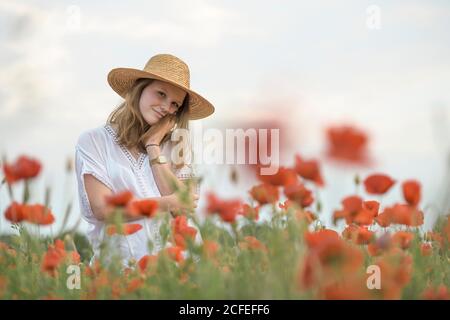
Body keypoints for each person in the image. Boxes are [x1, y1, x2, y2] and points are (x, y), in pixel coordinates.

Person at [74, 53, 214, 266]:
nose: (167, 107)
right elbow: (104, 210)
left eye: (175, 104)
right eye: (161, 94)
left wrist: (153, 146)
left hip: (177, 268)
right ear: (139, 89)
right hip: (120, 270)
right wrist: (168, 203)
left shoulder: (175, 147)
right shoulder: (94, 141)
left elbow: (183, 209)